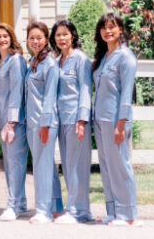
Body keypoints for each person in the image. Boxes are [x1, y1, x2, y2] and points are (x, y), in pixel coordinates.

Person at [92, 13, 139, 226]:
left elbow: (127, 93)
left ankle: (128, 215)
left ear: (121, 29)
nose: (107, 31)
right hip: (100, 119)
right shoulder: (103, 57)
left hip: (116, 120)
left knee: (120, 165)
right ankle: (113, 211)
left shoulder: (126, 57)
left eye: (112, 27)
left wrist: (121, 124)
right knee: (107, 165)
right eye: (103, 28)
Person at [50, 19, 94, 224]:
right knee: (68, 166)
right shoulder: (58, 60)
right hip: (62, 120)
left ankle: (79, 211)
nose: (61, 38)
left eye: (65, 34)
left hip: (77, 120)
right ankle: (77, 208)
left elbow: (86, 89)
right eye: (58, 35)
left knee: (77, 166)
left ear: (73, 36)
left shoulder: (81, 59)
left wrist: (82, 119)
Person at [23, 20, 63, 224]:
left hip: (44, 122)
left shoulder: (50, 64)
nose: (35, 41)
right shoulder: (34, 61)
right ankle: (56, 207)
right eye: (32, 38)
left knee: (42, 166)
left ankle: (42, 210)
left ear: (46, 39)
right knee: (45, 165)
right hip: (32, 122)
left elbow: (50, 96)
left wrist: (46, 123)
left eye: (39, 38)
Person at [0, 22, 28, 221]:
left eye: (5, 36)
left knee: (15, 164)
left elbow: (17, 90)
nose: (2, 40)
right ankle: (20, 202)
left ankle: (12, 205)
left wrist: (11, 122)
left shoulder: (16, 60)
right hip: (2, 119)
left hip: (14, 121)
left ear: (11, 38)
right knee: (10, 163)